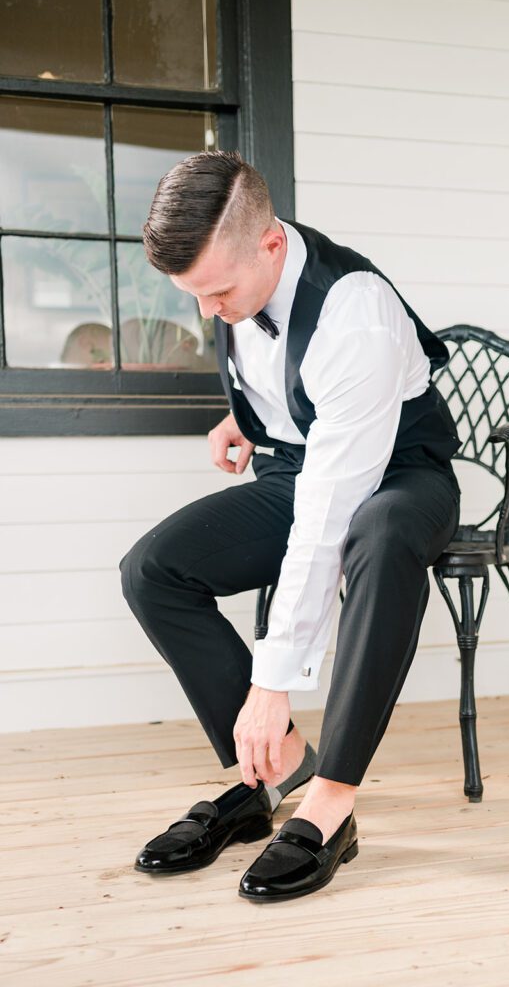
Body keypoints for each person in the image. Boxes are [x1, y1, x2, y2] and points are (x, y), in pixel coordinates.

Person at [119, 149, 462, 903]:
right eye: (192, 296)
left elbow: (329, 516)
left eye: (217, 292)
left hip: (401, 474)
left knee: (378, 537)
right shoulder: (238, 278)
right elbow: (288, 382)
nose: (208, 312)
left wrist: (272, 681)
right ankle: (277, 769)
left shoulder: (355, 311)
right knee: (153, 571)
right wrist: (241, 412)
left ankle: (331, 801)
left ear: (271, 244)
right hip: (296, 463)